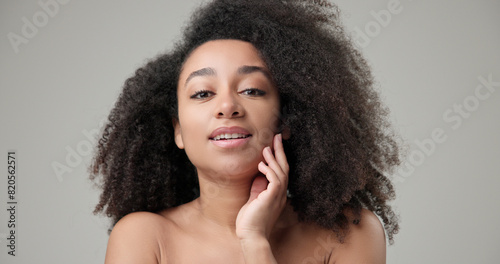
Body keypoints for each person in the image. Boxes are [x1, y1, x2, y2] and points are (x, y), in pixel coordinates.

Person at [90, 0, 402, 263]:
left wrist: (255, 244)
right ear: (178, 132)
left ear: (287, 120)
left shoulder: (348, 234)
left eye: (252, 90)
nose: (227, 106)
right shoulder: (144, 237)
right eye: (202, 93)